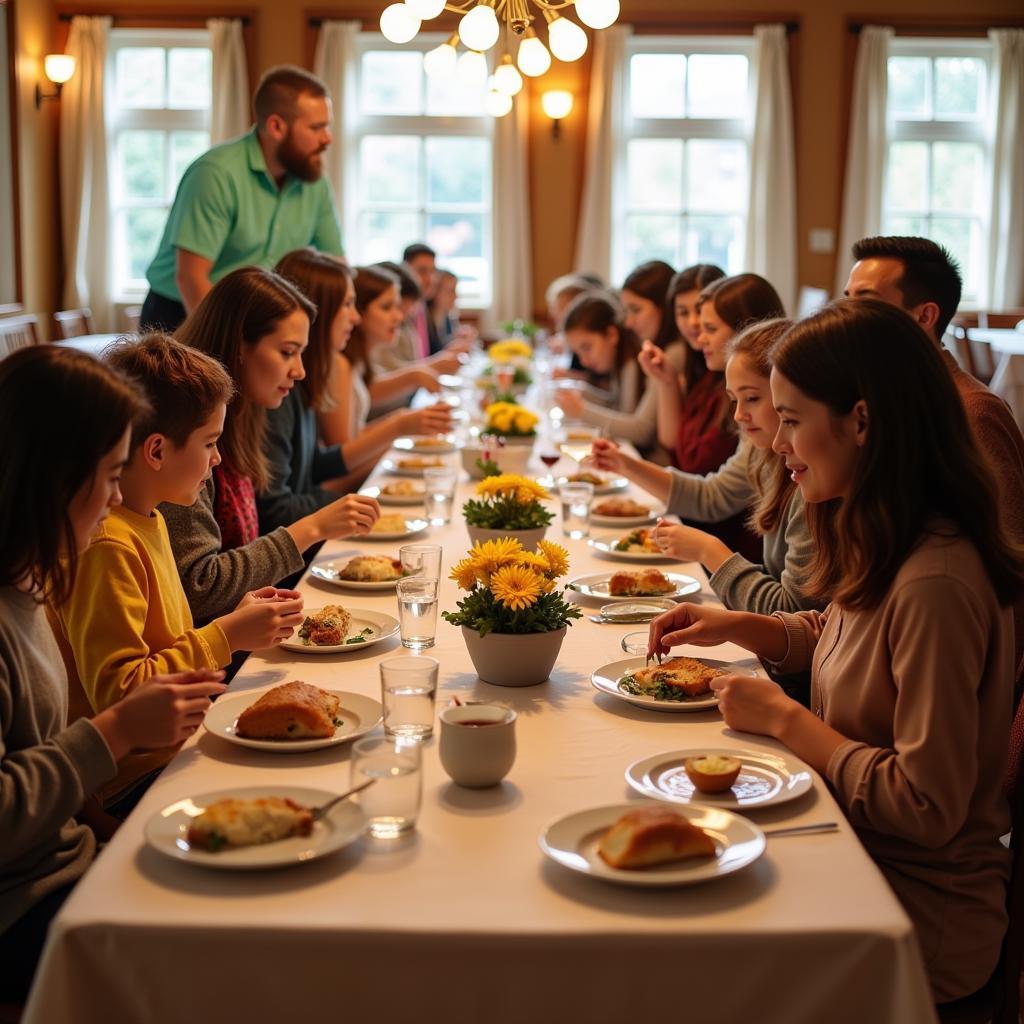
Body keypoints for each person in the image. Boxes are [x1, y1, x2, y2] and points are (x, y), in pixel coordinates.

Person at [648, 299, 1024, 1005]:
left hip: (910, 917)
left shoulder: (937, 580)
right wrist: (739, 625)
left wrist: (787, 722)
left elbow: (926, 804)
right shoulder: (892, 534)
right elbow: (842, 637)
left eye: (790, 421)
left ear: (860, 421)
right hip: (851, 848)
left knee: (671, 960)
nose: (775, 443)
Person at [0, 345, 227, 1003]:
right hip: (25, 908)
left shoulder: (31, 582)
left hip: (72, 855)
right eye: (107, 474)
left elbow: (53, 778)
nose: (115, 497)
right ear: (49, 478)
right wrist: (115, 732)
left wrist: (110, 830)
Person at [50, 335, 304, 815]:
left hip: (174, 752)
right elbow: (120, 698)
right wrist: (225, 636)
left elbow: (167, 642)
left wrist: (239, 618)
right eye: (210, 442)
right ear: (156, 450)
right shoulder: (107, 544)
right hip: (132, 781)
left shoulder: (153, 517)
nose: (218, 459)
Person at [845, 235, 1024, 690]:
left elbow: (1008, 574)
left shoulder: (972, 415)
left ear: (924, 316)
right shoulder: (885, 403)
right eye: (847, 300)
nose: (847, 317)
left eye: (866, 302)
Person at [161, 267, 380, 624]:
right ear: (238, 348)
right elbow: (199, 588)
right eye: (287, 352)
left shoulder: (245, 416)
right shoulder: (185, 433)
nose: (299, 371)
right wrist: (311, 528)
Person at [591, 318, 816, 617]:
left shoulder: (813, 482)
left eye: (752, 398)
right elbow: (712, 493)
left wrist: (709, 551)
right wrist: (626, 464)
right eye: (734, 400)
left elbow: (791, 612)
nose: (738, 415)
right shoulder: (762, 452)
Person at [140, 65, 343, 332]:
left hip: (258, 320)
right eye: (317, 127)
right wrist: (229, 346)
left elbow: (335, 265)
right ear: (276, 126)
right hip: (183, 314)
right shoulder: (216, 173)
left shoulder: (314, 182)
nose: (327, 138)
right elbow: (191, 277)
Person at [268, 249, 452, 503]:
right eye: (347, 305)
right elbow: (341, 458)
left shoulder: (326, 369)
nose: (354, 317)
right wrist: (398, 428)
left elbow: (324, 462)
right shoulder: (319, 372)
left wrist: (400, 430)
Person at [319, 265, 451, 446]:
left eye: (397, 306)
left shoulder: (356, 359)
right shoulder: (340, 363)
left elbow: (358, 433)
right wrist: (399, 425)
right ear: (361, 310)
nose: (399, 316)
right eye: (386, 307)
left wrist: (406, 426)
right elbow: (342, 455)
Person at [553, 292, 684, 455]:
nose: (584, 361)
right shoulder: (621, 358)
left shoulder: (634, 361)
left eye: (587, 348)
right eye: (578, 353)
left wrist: (582, 411)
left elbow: (641, 432)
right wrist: (580, 391)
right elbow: (616, 406)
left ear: (612, 335)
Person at [643, 264, 725, 457]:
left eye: (700, 311)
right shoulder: (692, 360)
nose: (693, 322)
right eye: (683, 313)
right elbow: (670, 441)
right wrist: (667, 382)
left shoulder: (724, 366)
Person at [621, 260, 678, 350]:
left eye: (636, 310)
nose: (628, 323)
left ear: (665, 307)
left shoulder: (672, 358)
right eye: (626, 311)